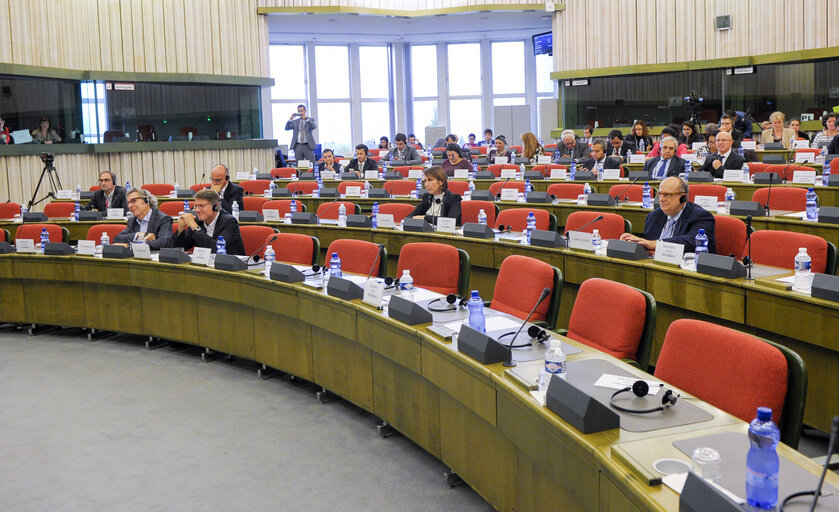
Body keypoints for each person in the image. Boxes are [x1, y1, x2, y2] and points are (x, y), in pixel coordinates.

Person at [619, 176, 716, 253]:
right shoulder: (653, 216)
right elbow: (649, 247)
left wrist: (656, 244)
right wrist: (636, 243)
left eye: (667, 195)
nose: (661, 199)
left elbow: (692, 241)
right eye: (659, 194)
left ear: (683, 198)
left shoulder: (701, 216)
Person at [173, 189, 245, 255]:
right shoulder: (197, 220)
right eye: (195, 206)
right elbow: (183, 247)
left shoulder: (229, 222)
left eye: (201, 206)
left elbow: (215, 249)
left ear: (216, 206)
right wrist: (180, 229)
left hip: (230, 266)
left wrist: (195, 227)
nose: (197, 210)